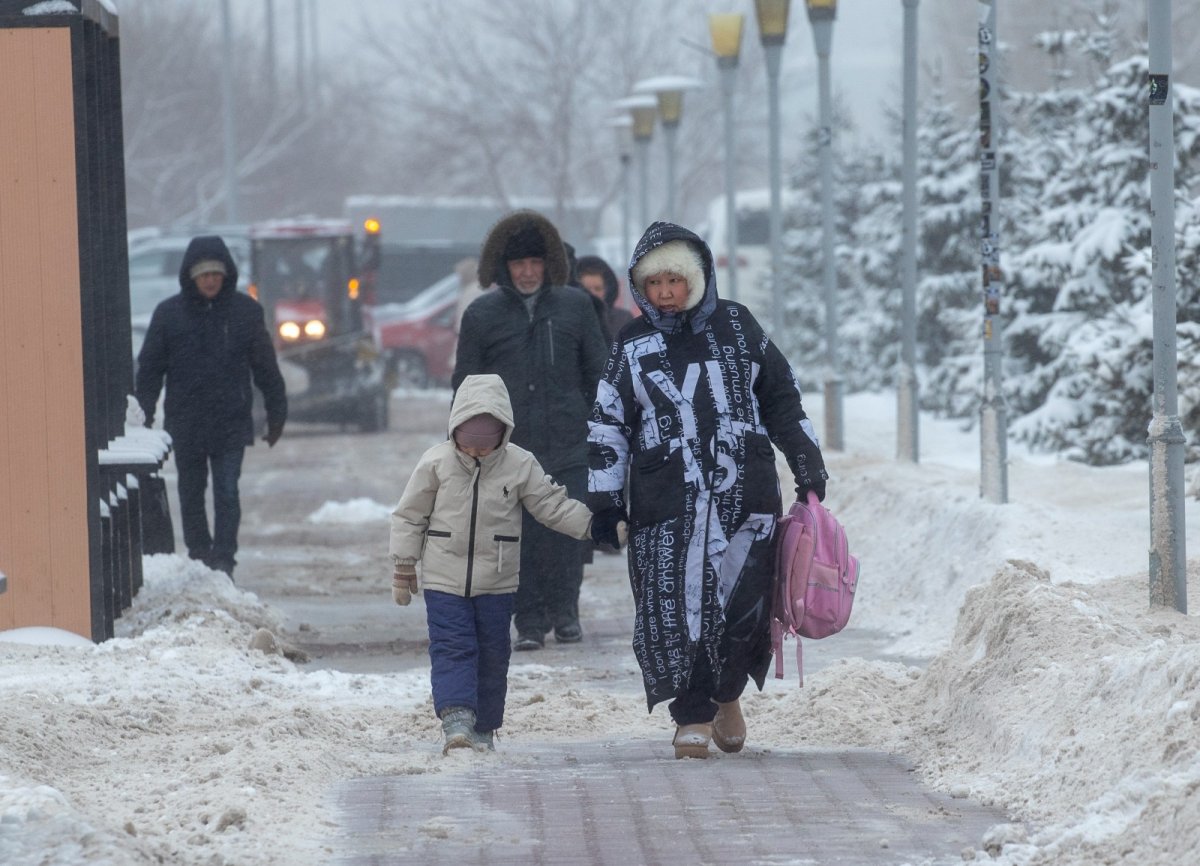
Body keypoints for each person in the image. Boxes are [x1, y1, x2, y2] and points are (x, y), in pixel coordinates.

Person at [587, 221, 829, 759]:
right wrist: (604, 501)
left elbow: (782, 400)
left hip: (746, 497)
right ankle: (691, 712)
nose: (666, 293)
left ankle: (728, 695)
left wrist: (807, 465)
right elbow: (607, 425)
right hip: (664, 501)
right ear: (640, 288)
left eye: (676, 280)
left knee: (742, 605)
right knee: (675, 608)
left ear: (697, 279)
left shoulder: (739, 327)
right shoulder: (631, 343)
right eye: (654, 284)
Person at [388, 373, 624, 754]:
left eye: (485, 448)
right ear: (455, 434)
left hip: (496, 582)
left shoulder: (519, 465)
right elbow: (409, 515)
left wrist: (598, 527)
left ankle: (484, 725)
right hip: (443, 580)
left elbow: (552, 505)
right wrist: (403, 567)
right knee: (452, 647)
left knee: (494, 653)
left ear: (503, 436)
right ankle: (456, 718)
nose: (477, 455)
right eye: (469, 447)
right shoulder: (435, 463)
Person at [454, 210, 609, 651]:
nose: (527, 272)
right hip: (509, 448)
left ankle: (566, 613)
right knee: (516, 537)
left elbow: (598, 371)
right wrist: (464, 441)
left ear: (548, 264)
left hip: (569, 439)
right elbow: (466, 383)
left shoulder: (576, 307)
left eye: (535, 263)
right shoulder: (482, 315)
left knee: (567, 531)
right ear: (504, 266)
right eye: (518, 263)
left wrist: (604, 430)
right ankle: (528, 621)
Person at [135, 235, 287, 579]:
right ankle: (200, 556)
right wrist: (141, 417)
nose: (210, 279)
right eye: (203, 273)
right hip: (186, 422)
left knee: (227, 492)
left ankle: (224, 560)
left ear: (226, 274)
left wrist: (277, 411)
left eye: (216, 273)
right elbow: (149, 370)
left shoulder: (245, 313)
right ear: (191, 276)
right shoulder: (169, 315)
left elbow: (265, 366)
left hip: (230, 421)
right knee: (191, 494)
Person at [576, 254, 633, 343]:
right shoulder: (569, 320)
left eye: (597, 288)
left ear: (607, 290)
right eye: (586, 289)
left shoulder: (623, 320)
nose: (592, 294)